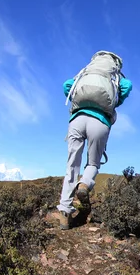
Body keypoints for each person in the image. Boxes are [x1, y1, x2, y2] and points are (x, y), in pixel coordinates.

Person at [51, 50, 132, 230]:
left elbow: (67, 85)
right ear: (115, 64)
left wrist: (76, 100)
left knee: (72, 165)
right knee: (93, 163)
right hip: (100, 121)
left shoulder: (86, 71)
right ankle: (84, 184)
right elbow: (127, 86)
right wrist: (114, 102)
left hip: (77, 119)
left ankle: (64, 212)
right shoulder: (115, 76)